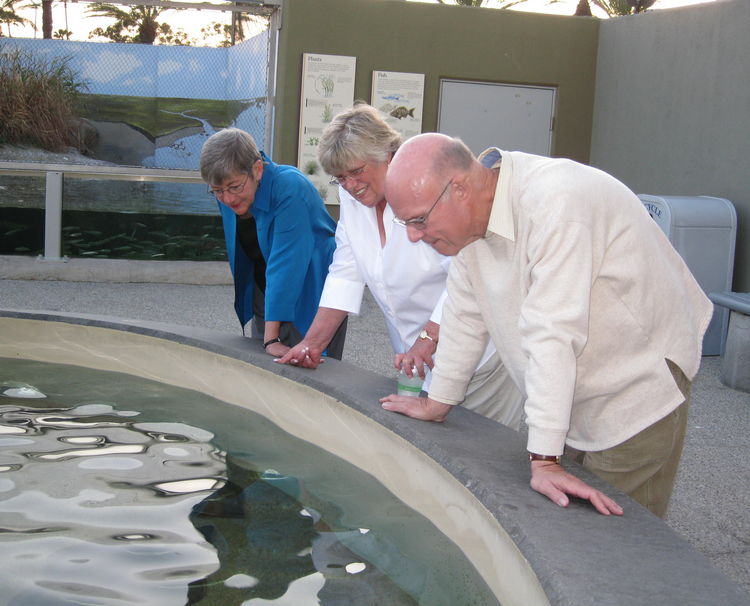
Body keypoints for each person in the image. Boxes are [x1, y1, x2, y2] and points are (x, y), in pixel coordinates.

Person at [381, 133, 713, 519]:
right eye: (404, 222)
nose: (413, 235)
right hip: (576, 386)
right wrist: (437, 401)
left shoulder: (556, 203)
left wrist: (543, 459)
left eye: (419, 220)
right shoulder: (473, 226)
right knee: (568, 528)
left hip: (637, 385)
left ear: (460, 188)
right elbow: (464, 313)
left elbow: (551, 334)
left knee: (618, 546)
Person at [277, 104, 523, 429]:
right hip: (417, 361)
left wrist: (427, 338)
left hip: (477, 357)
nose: (349, 186)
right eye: (340, 179)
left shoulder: (430, 191)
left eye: (356, 172)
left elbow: (467, 277)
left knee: (476, 452)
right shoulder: (354, 201)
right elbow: (345, 273)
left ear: (388, 154)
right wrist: (312, 344)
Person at [200, 128, 346, 360]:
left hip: (311, 289)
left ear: (257, 170)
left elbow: (286, 264)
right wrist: (269, 330)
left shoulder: (290, 188)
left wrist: (271, 338)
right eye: (217, 191)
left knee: (309, 365)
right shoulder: (229, 187)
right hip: (267, 288)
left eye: (235, 187)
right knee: (263, 368)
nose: (228, 199)